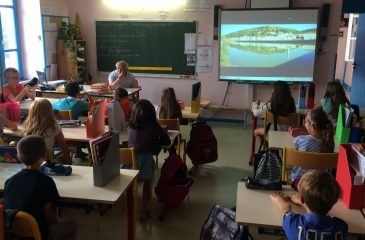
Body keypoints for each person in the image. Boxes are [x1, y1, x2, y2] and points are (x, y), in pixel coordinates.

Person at [4, 135, 76, 240]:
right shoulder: (46, 182)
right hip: (38, 234)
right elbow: (50, 218)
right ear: (44, 155)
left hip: (11, 235)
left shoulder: (9, 181)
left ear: (19, 157)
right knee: (72, 226)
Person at [271, 170, 348, 240]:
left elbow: (286, 208)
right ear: (334, 201)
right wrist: (303, 201)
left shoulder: (294, 225)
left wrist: (278, 198)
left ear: (302, 199)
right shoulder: (341, 227)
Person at [128, 99, 171, 221]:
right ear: (152, 114)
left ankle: (129, 205)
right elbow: (167, 141)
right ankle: (143, 210)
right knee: (148, 184)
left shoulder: (130, 126)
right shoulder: (153, 126)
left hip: (128, 166)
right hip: (145, 166)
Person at [290, 109, 334, 188]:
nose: (305, 124)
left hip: (301, 182)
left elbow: (296, 152)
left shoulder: (300, 139)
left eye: (306, 121)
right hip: (321, 184)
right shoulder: (329, 142)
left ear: (312, 126)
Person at [22, 99, 71, 164]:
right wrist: (69, 161)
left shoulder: (27, 126)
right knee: (61, 157)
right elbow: (63, 145)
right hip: (46, 162)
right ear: (50, 112)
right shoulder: (53, 126)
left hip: (29, 161)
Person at [253, 81, 296, 146]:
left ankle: (268, 149)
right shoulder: (291, 103)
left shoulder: (271, 105)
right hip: (288, 134)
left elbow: (255, 113)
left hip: (272, 133)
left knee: (255, 131)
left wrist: (256, 105)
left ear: (275, 91)